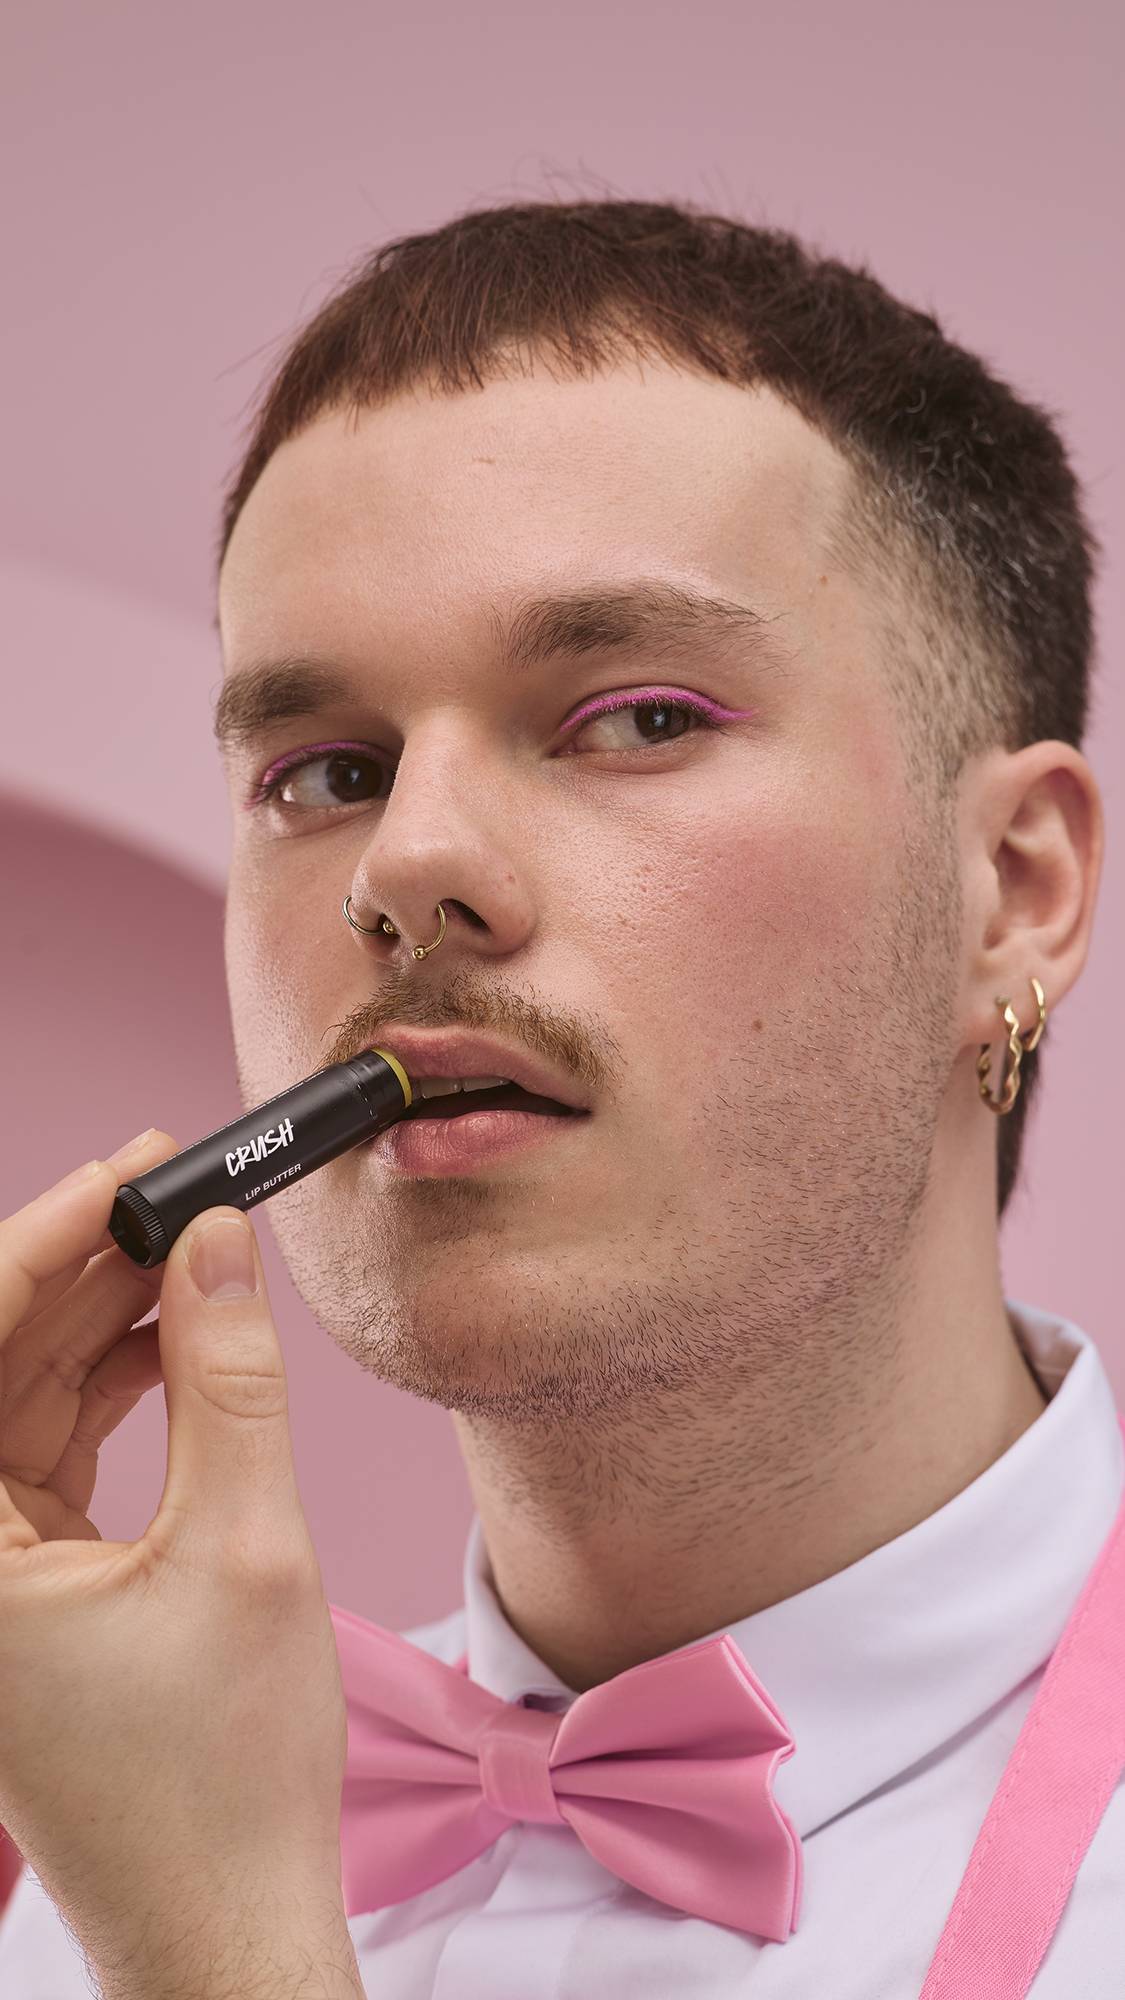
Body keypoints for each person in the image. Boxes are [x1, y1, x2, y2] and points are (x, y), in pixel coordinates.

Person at [1, 199, 1120, 1998]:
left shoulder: (156, 1927)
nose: (408, 865)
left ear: (1011, 891)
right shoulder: (82, 1884)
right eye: (325, 771)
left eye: (639, 718)